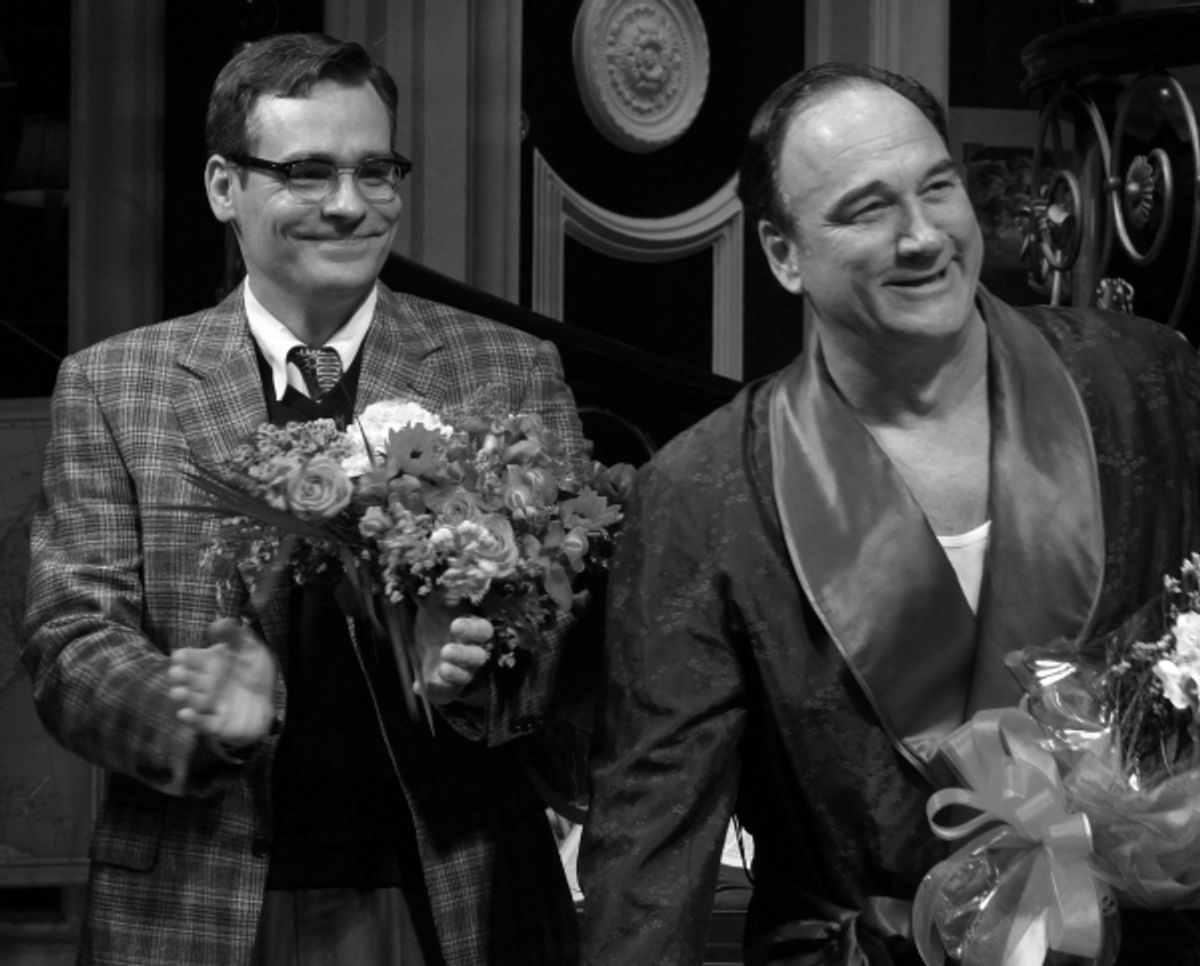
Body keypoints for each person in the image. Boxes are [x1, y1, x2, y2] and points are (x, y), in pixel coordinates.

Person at [579, 62, 1200, 965]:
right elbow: (651, 841)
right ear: (783, 253)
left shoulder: (1143, 381)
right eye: (867, 209)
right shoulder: (701, 489)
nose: (923, 237)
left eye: (938, 188)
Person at [22, 32, 582, 966]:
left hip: (456, 896)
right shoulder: (117, 387)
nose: (350, 205)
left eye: (376, 170)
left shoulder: (506, 371)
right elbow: (69, 641)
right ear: (222, 187)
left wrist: (486, 666)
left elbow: (580, 626)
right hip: (196, 906)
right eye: (308, 172)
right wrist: (191, 712)